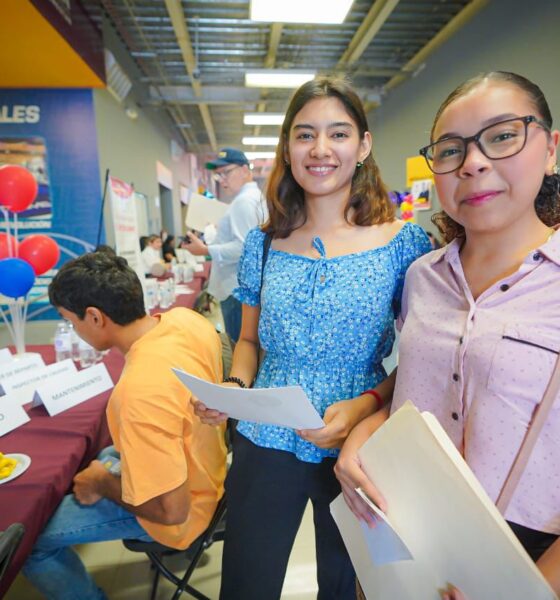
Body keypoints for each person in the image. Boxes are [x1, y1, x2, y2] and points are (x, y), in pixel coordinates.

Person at [193, 77, 431, 600]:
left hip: (357, 442)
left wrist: (367, 404)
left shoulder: (403, 243)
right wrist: (234, 388)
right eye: (305, 135)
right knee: (247, 583)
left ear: (363, 146)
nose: (320, 149)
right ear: (287, 148)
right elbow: (249, 342)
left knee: (346, 587)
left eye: (338, 134)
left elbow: (422, 361)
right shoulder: (263, 245)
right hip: (265, 434)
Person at [335, 71, 560, 598]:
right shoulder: (422, 278)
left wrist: (530, 589)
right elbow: (418, 395)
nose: (473, 163)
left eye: (502, 136)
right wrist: (363, 437)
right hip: (403, 538)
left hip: (525, 558)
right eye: (451, 149)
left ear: (551, 149)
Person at [23, 252, 227, 600]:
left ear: (94, 317)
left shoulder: (138, 393)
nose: (76, 333)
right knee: (105, 454)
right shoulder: (186, 320)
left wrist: (103, 483)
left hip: (186, 512)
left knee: (31, 540)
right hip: (211, 471)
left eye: (71, 322)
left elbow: (172, 510)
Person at [182, 148, 267, 344]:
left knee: (239, 345)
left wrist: (205, 250)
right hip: (244, 286)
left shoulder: (243, 202)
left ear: (245, 170)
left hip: (235, 287)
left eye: (226, 172)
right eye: (218, 175)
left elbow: (244, 248)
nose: (222, 180)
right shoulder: (253, 198)